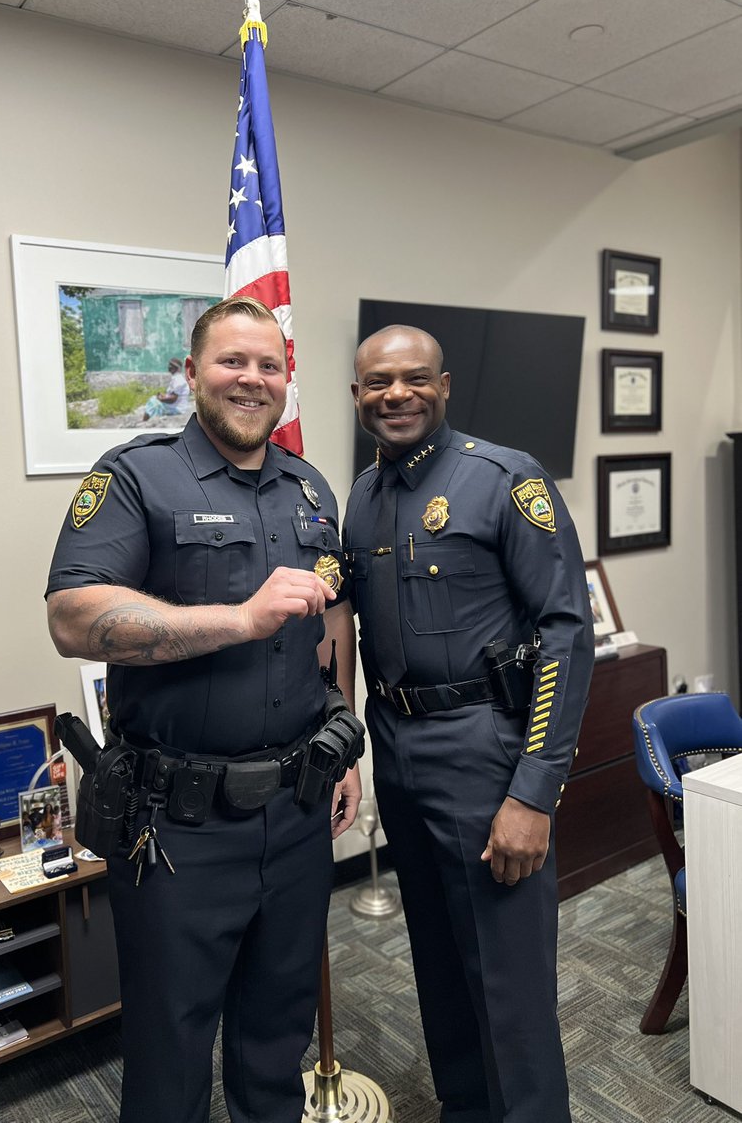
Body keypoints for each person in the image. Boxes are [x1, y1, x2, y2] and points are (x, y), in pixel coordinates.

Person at [46, 296, 361, 1123]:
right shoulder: (134, 477)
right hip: (177, 828)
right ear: (190, 374)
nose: (251, 380)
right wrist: (239, 620)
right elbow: (73, 618)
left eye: (269, 365)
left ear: (287, 380)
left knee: (276, 1037)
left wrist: (345, 739)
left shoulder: (310, 486)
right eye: (231, 362)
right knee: (171, 1051)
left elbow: (332, 619)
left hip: (296, 812)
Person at [343, 325, 593, 1123]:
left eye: (415, 379)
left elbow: (566, 631)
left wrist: (535, 794)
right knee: (442, 967)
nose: (396, 395)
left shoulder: (504, 479)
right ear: (357, 397)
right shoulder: (363, 495)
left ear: (444, 386)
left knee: (509, 988)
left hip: (487, 754)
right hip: (400, 751)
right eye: (378, 382)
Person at [141, 355, 190, 419]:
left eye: (171, 366)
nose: (169, 367)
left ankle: (146, 420)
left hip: (177, 408)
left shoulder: (178, 380)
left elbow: (173, 399)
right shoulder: (176, 378)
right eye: (169, 366)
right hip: (175, 405)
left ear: (176, 368)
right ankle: (147, 419)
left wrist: (160, 399)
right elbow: (172, 395)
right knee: (153, 399)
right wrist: (163, 396)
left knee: (153, 402)